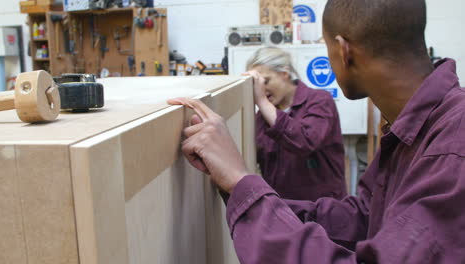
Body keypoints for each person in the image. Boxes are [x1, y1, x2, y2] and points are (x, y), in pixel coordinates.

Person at [168, 0, 465, 262]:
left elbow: (304, 140)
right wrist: (236, 188)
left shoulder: (453, 147)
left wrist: (242, 184)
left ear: (343, 50)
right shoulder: (419, 131)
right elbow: (363, 219)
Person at [244, 47, 347, 201]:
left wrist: (262, 102)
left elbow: (305, 141)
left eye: (266, 81)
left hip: (323, 210)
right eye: (257, 85)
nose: (261, 89)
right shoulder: (262, 118)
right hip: (285, 211)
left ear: (284, 74)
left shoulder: (319, 101)